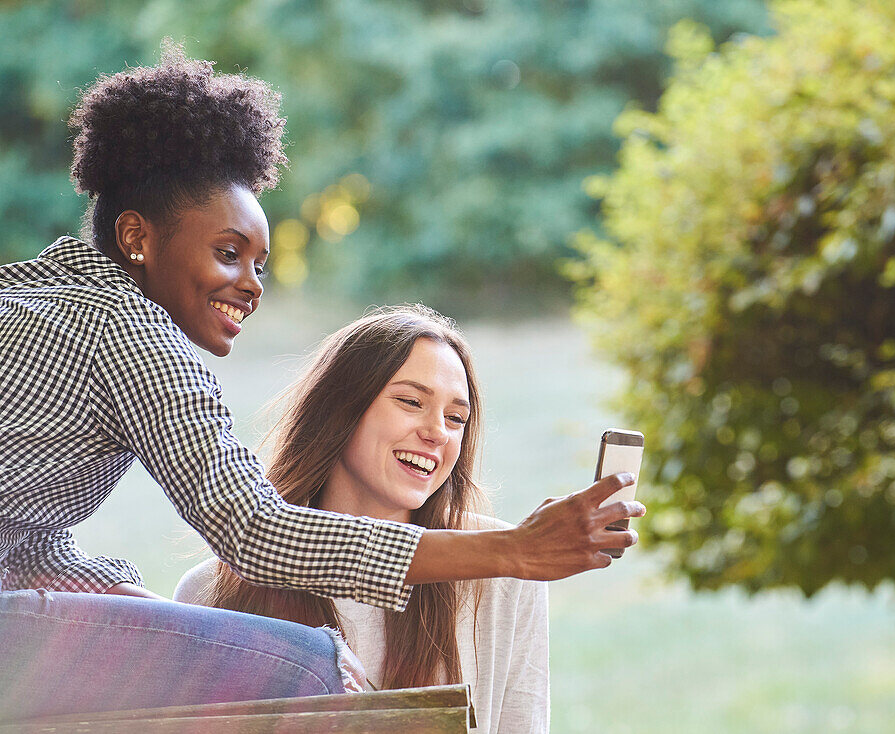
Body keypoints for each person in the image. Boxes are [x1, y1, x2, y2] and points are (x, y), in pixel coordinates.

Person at [0, 47, 641, 720]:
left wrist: (199, 633)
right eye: (227, 253)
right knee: (311, 663)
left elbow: (30, 546)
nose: (251, 285)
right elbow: (254, 530)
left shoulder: (39, 296)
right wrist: (515, 549)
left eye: (259, 264)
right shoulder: (129, 334)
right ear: (137, 236)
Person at [175, 305, 550, 733]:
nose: (437, 433)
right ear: (341, 409)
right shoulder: (210, 592)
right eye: (411, 402)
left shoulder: (502, 566)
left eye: (455, 418)